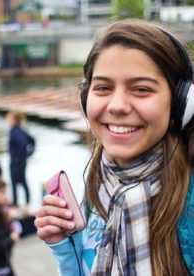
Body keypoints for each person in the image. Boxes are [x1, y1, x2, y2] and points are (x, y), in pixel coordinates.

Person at [34, 19, 194, 275]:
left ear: (180, 103)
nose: (117, 105)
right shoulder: (99, 185)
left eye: (141, 89)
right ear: (85, 97)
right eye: (103, 88)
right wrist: (67, 246)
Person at [6, 111, 35, 206]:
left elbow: (23, 143)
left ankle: (15, 203)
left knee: (14, 182)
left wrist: (20, 156)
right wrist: (29, 153)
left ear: (14, 120)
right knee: (23, 181)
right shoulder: (22, 130)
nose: (8, 121)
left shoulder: (13, 131)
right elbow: (32, 141)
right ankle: (27, 202)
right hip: (22, 160)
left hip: (16, 161)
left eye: (9, 119)